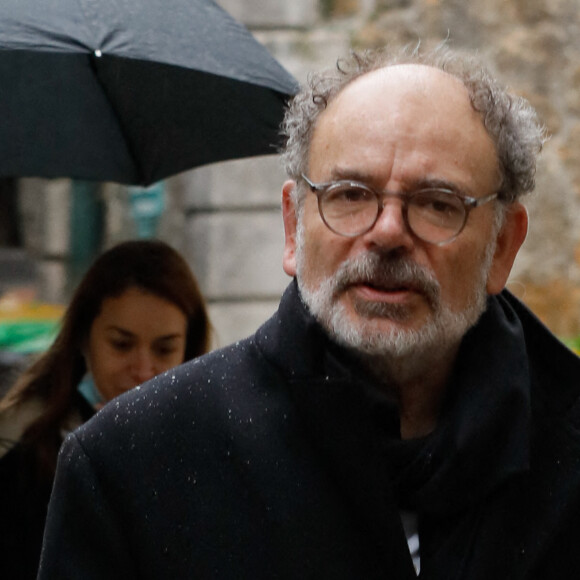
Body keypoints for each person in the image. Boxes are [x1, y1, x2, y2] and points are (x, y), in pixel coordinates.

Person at [39, 44, 580, 579]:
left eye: (438, 203)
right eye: (350, 194)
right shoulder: (134, 463)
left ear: (503, 246)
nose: (387, 233)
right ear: (294, 225)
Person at [0, 239, 211, 579]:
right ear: (85, 339)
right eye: (121, 344)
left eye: (165, 349)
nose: (143, 370)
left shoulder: (213, 463)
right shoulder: (29, 469)